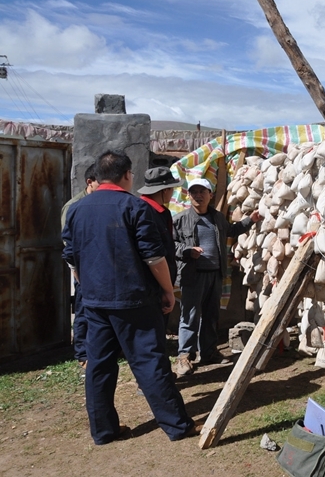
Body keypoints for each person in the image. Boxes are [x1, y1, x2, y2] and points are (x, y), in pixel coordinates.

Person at [62, 151, 197, 445]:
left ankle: (104, 431)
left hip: (94, 302)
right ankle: (177, 425)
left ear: (98, 176)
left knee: (99, 366)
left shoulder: (77, 209)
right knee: (150, 363)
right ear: (126, 175)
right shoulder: (135, 207)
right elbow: (154, 257)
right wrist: (167, 290)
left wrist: (89, 287)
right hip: (134, 300)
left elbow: (71, 259)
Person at [173, 178, 261, 377]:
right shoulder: (180, 219)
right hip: (193, 276)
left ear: (210, 195)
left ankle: (209, 352)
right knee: (190, 316)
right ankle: (184, 356)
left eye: (202, 192)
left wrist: (251, 220)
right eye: (194, 192)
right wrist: (187, 251)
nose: (198, 195)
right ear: (188, 195)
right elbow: (170, 244)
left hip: (215, 274)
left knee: (211, 315)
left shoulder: (217, 218)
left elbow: (232, 230)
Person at [60, 164, 99, 368]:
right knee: (83, 309)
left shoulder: (98, 202)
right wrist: (77, 271)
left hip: (98, 266)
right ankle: (83, 353)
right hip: (82, 267)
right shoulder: (74, 206)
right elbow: (69, 242)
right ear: (89, 182)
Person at [138, 166, 182, 329]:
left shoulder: (161, 212)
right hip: (151, 286)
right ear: (165, 190)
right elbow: (153, 256)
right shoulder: (144, 212)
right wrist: (166, 289)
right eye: (171, 189)